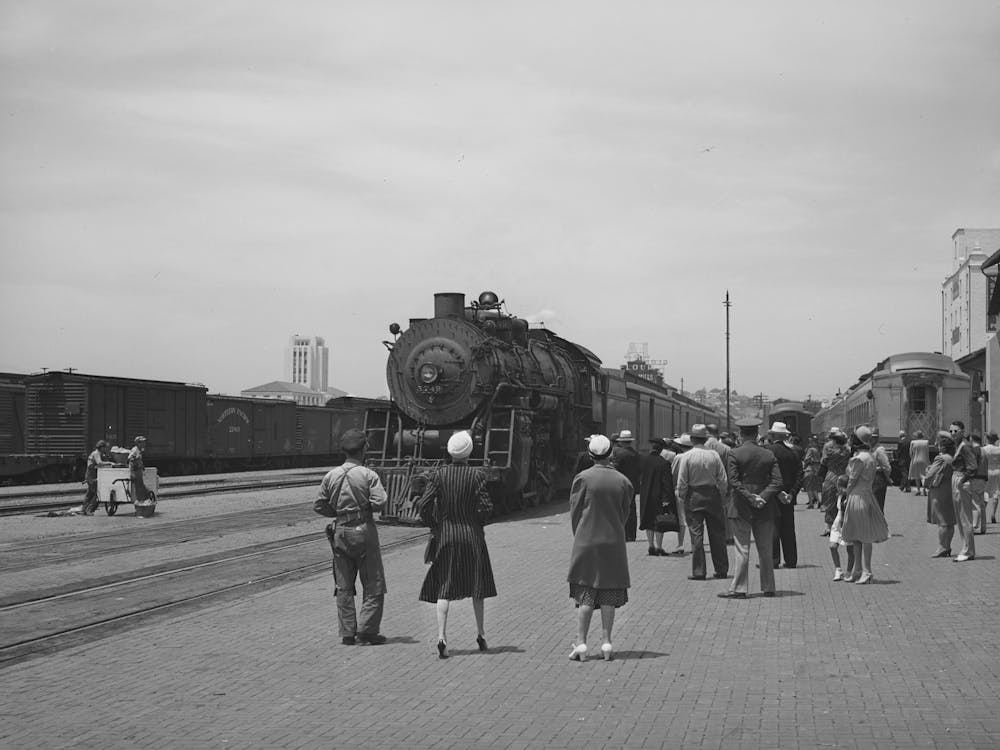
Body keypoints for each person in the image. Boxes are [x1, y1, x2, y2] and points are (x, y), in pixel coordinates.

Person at [417, 431, 497, 659]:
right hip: (472, 536)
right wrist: (477, 521)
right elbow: (486, 507)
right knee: (477, 587)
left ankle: (441, 637)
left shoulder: (438, 475)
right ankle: (481, 635)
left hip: (447, 536)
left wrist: (435, 525)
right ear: (469, 452)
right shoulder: (477, 475)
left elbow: (423, 504)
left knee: (444, 586)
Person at [313, 428, 389, 645]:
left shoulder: (331, 475)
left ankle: (347, 633)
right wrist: (363, 508)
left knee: (343, 584)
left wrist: (338, 513)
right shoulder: (368, 475)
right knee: (373, 582)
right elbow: (380, 502)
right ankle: (367, 631)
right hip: (363, 530)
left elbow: (318, 505)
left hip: (340, 531)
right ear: (364, 449)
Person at [567, 434, 631, 662]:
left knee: (585, 594)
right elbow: (625, 514)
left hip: (587, 541)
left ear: (591, 454)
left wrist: (581, 533)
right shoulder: (623, 481)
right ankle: (607, 643)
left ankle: (581, 642)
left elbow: (575, 512)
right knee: (608, 594)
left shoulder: (582, 478)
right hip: (613, 541)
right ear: (610, 454)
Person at [719, 418, 782, 599]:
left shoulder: (735, 453)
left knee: (742, 549)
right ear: (756, 434)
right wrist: (761, 497)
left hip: (741, 506)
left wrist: (749, 497)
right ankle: (769, 587)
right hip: (765, 507)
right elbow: (777, 482)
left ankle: (739, 588)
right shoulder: (768, 454)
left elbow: (733, 481)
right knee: (765, 549)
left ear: (740, 434)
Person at [673, 424, 729, 581]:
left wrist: (682, 497)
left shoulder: (687, 456)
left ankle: (699, 571)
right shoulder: (714, 455)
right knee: (717, 533)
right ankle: (721, 569)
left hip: (694, 496)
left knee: (696, 535)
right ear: (705, 439)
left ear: (691, 439)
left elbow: (682, 480)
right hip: (712, 495)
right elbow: (723, 479)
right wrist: (722, 496)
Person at [839, 426, 890, 583]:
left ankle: (865, 571)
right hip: (867, 495)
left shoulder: (858, 458)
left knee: (860, 536)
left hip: (857, 497)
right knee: (860, 536)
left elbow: (852, 480)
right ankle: (859, 570)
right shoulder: (870, 456)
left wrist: (845, 495)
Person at [767, 421, 802, 569]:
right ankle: (791, 560)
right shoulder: (793, 453)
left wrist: (776, 491)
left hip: (772, 496)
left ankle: (774, 560)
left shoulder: (767, 451)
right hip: (788, 497)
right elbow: (800, 475)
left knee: (773, 528)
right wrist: (791, 493)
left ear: (773, 435)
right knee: (788, 529)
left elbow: (765, 475)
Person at [638, 437, 676, 556]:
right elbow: (667, 484)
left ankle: (651, 545)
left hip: (645, 495)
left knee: (648, 520)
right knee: (659, 521)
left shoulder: (643, 461)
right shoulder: (664, 463)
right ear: (661, 450)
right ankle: (659, 547)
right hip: (659, 497)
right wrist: (667, 499)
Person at [949, 421, 979, 562]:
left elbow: (973, 467)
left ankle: (968, 550)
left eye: (956, 431)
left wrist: (962, 480)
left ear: (962, 431)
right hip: (957, 478)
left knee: (965, 518)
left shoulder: (965, 446)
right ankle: (965, 548)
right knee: (961, 518)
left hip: (961, 479)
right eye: (951, 431)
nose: (953, 433)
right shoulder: (958, 445)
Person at [924, 432, 956, 558]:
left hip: (939, 491)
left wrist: (926, 475)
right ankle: (947, 546)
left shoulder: (940, 458)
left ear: (943, 447)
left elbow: (930, 475)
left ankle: (942, 547)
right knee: (950, 521)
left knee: (942, 522)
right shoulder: (953, 457)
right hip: (950, 490)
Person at [818, 428, 851, 536]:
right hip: (844, 477)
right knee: (843, 502)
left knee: (830, 502)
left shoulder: (827, 447)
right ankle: (843, 525)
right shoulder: (847, 448)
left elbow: (823, 461)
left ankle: (829, 527)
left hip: (831, 476)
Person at [611, 429, 641, 542]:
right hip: (632, 485)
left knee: (620, 509)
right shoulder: (636, 454)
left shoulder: (618, 453)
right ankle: (632, 535)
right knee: (632, 509)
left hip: (620, 485)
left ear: (621, 442)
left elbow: (615, 470)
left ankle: (622, 534)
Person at [666, 434, 693, 553]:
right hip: (695, 491)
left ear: (681, 446)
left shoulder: (679, 457)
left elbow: (673, 473)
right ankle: (694, 544)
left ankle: (681, 544)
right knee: (693, 519)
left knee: (682, 519)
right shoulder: (695, 455)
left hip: (680, 490)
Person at [828, 474, 855, 581]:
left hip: (848, 523)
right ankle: (838, 569)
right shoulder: (839, 496)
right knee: (832, 546)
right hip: (838, 523)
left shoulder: (852, 496)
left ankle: (849, 571)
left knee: (850, 549)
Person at [81, 439, 112, 515]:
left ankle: (84, 509)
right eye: (105, 447)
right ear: (101, 447)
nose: (106, 449)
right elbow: (99, 463)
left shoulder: (97, 453)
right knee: (98, 494)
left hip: (90, 475)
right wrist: (110, 463)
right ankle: (90, 510)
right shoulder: (96, 454)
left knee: (90, 493)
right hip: (92, 476)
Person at [968, 432, 989, 535]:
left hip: (976, 478)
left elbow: (973, 465)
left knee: (975, 503)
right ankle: (982, 527)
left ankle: (975, 526)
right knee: (981, 503)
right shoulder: (983, 450)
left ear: (971, 439)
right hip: (983, 478)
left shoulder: (975, 450)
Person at [870, 432, 892, 514]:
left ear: (876, 439)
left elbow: (886, 466)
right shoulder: (871, 449)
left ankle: (880, 525)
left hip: (878, 479)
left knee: (878, 505)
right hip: (871, 478)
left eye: (872, 438)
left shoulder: (879, 450)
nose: (870, 440)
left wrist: (887, 476)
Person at [983, 431, 1000, 525]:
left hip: (987, 471)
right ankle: (993, 514)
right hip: (998, 471)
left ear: (987, 439)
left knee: (985, 493)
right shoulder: (998, 449)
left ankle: (983, 513)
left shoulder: (984, 449)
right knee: (996, 493)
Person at [128, 436, 150, 503]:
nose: (144, 444)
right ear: (138, 443)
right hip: (135, 471)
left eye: (144, 442)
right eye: (142, 442)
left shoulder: (139, 450)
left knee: (140, 487)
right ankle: (140, 502)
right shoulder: (135, 450)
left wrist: (142, 466)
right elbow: (129, 458)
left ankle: (142, 500)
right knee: (139, 487)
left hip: (138, 471)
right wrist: (136, 458)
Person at [802, 436, 822, 509]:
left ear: (813, 442)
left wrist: (805, 463)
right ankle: (819, 501)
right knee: (814, 487)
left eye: (810, 442)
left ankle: (811, 503)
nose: (809, 443)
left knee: (809, 487)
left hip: (810, 468)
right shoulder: (818, 449)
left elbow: (807, 459)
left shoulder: (810, 449)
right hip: (817, 468)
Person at [908, 431, 931, 495]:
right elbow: (927, 452)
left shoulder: (913, 442)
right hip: (924, 460)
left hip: (915, 460)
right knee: (924, 475)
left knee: (916, 475)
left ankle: (918, 490)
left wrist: (912, 459)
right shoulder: (926, 442)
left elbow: (910, 453)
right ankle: (924, 489)